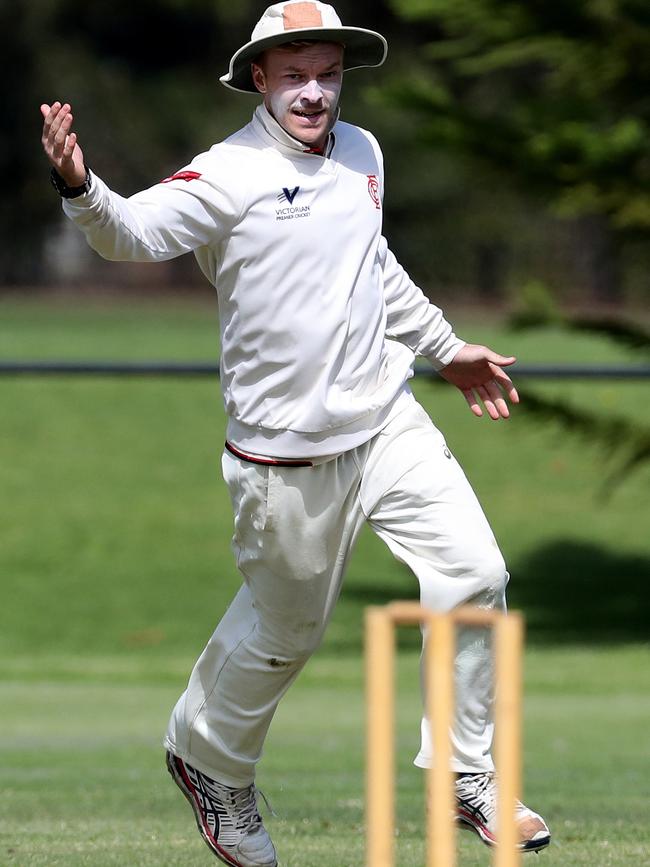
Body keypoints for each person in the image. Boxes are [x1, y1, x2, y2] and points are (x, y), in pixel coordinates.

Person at [40, 2, 551, 865]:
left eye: (328, 73)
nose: (314, 93)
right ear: (259, 80)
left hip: (387, 420)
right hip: (284, 455)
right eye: (295, 75)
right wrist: (80, 188)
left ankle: (465, 773)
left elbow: (373, 265)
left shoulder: (363, 153)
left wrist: (444, 347)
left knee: (475, 571)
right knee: (285, 635)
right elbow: (133, 234)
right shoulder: (228, 173)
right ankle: (205, 758)